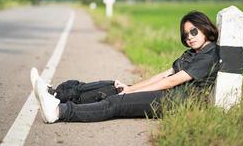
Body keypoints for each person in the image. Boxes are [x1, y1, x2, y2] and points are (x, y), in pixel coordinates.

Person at [30, 11, 219, 124]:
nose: (190, 37)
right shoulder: (193, 53)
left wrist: (129, 93)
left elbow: (171, 82)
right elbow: (164, 75)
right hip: (168, 95)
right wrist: (129, 88)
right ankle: (55, 95)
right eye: (186, 35)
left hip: (175, 103)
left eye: (193, 31)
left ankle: (58, 112)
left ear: (204, 28)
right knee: (112, 87)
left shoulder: (209, 55)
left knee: (116, 103)